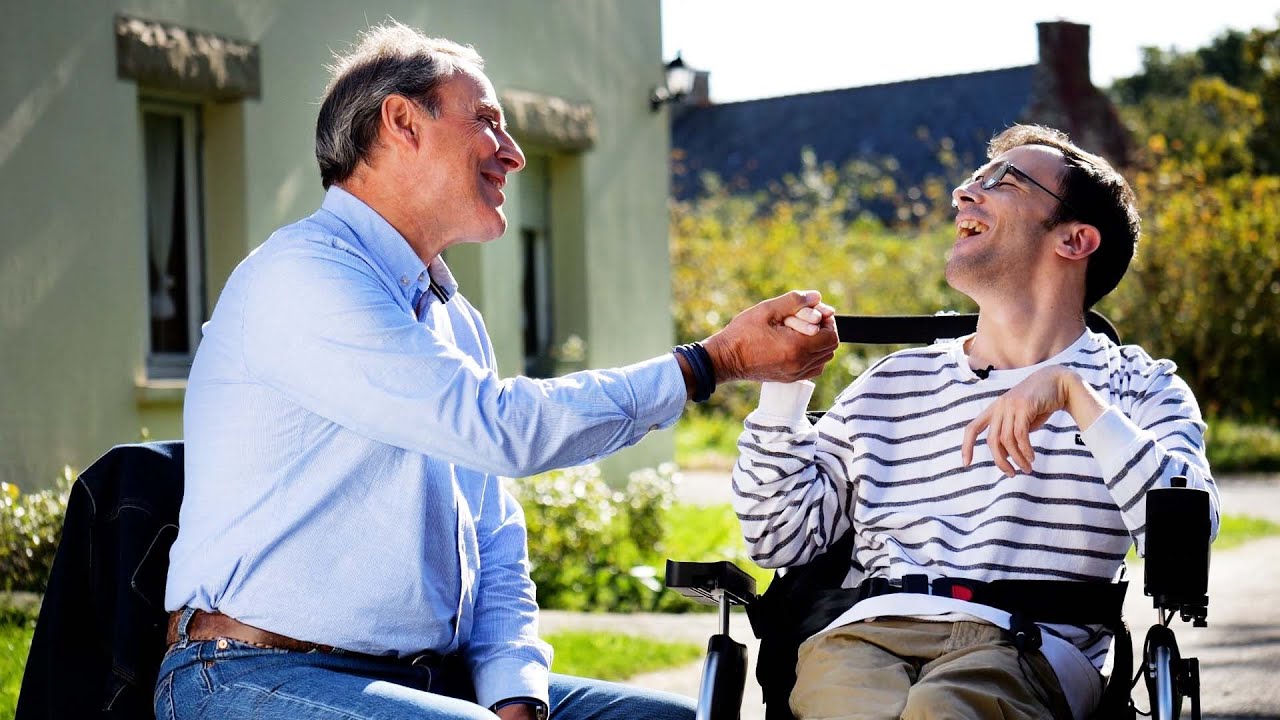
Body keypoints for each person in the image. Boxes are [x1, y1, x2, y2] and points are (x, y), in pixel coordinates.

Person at [157, 22, 839, 720]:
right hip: (251, 675)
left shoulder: (453, 319)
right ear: (401, 123)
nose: (513, 154)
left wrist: (516, 691)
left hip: (427, 681)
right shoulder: (304, 276)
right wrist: (711, 362)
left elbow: (492, 536)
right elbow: (501, 429)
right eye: (487, 121)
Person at [732, 124, 1219, 720]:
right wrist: (782, 388)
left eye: (1003, 181)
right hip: (864, 637)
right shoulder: (892, 382)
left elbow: (1185, 534)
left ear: (1074, 240)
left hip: (1028, 646)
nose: (965, 192)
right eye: (972, 179)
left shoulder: (1138, 388)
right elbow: (780, 537)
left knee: (944, 708)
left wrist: (1075, 396)